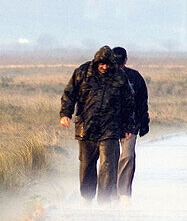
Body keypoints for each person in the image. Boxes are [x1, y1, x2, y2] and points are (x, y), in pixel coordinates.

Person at [59, 45, 135, 200]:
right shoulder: (82, 72)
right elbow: (69, 93)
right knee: (86, 166)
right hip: (86, 128)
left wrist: (128, 126)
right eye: (102, 64)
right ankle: (86, 199)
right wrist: (66, 114)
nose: (105, 67)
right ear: (96, 62)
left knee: (108, 166)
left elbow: (128, 102)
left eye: (108, 64)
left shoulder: (119, 76)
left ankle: (104, 203)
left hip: (110, 128)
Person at [111, 46, 149, 196]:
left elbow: (142, 102)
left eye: (120, 62)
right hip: (110, 124)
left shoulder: (135, 77)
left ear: (126, 60)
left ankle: (123, 194)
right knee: (110, 159)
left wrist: (143, 123)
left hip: (131, 124)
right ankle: (110, 193)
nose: (119, 65)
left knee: (127, 156)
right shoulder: (104, 76)